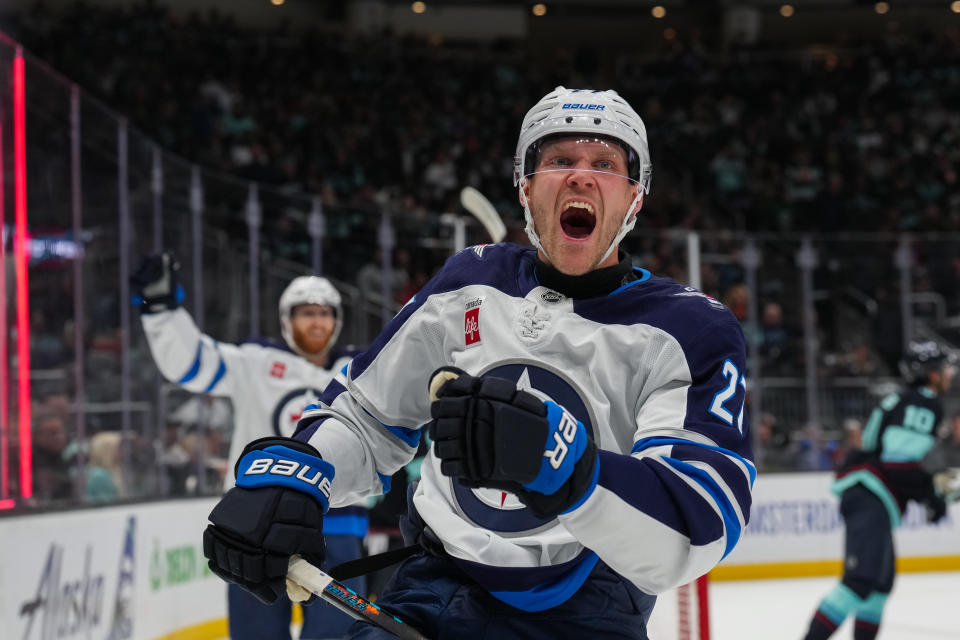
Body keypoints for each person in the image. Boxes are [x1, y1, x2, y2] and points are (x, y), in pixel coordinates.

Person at [202, 87, 755, 639]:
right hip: (430, 588)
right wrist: (298, 477)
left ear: (635, 196)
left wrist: (568, 466)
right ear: (525, 185)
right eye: (559, 159)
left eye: (606, 164)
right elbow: (368, 415)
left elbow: (698, 522)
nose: (581, 176)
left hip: (586, 615)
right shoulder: (469, 282)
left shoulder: (688, 328)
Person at [130, 256, 367, 640]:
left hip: (337, 522)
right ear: (286, 320)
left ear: (336, 320)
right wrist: (161, 311)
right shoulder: (256, 363)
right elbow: (192, 361)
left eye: (324, 313)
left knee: (337, 635)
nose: (316, 322)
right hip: (259, 523)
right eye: (306, 313)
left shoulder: (358, 371)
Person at [803, 340, 958, 640]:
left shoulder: (905, 399)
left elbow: (891, 457)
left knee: (879, 585)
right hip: (869, 493)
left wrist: (931, 492)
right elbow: (898, 462)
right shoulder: (924, 403)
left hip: (873, 495)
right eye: (944, 368)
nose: (950, 373)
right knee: (859, 581)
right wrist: (931, 494)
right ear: (931, 374)